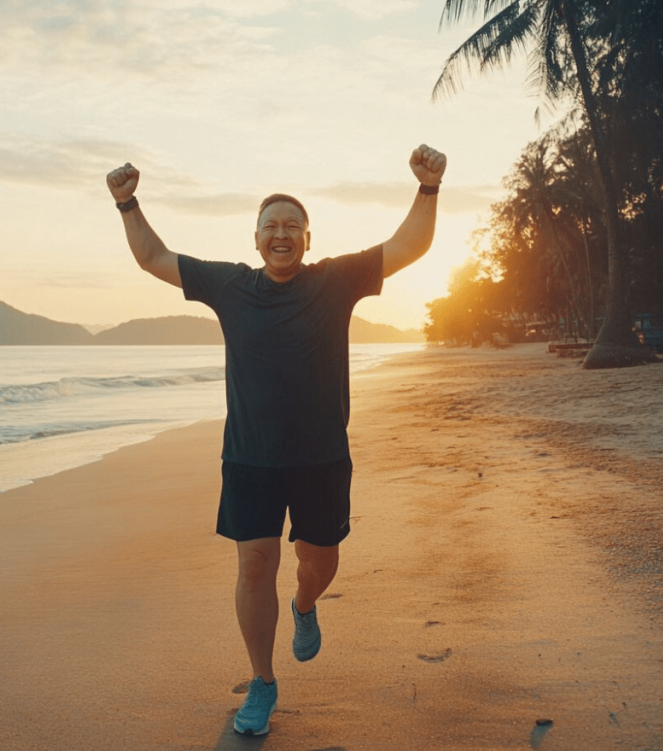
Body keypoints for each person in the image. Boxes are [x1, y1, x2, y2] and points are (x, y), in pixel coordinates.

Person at [105, 145, 447, 736]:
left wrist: (429, 188)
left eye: (293, 226)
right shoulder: (229, 285)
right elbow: (153, 257)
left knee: (319, 563)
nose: (281, 233)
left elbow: (409, 247)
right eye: (271, 226)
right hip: (249, 458)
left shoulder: (336, 279)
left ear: (308, 240)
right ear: (256, 239)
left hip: (321, 458)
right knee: (254, 566)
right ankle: (263, 682)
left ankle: (305, 607)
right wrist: (126, 201)